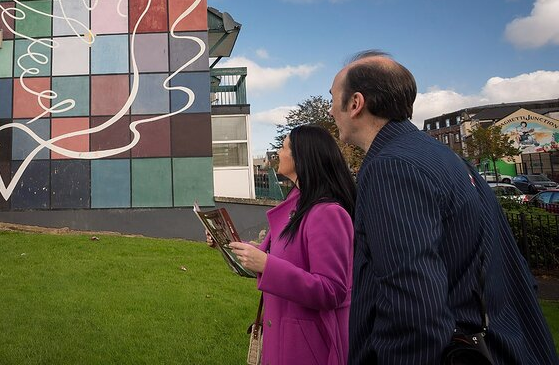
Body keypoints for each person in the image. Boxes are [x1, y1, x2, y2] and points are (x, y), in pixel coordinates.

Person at [329, 50, 558, 364]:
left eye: (332, 99)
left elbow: (413, 310)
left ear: (355, 104)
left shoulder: (392, 167)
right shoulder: (442, 156)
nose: (330, 111)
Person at [229, 125, 356, 365]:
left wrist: (267, 265)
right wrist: (228, 242)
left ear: (301, 157)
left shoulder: (328, 213)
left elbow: (332, 290)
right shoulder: (296, 206)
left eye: (284, 146)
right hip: (282, 337)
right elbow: (268, 254)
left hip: (307, 347)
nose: (278, 152)